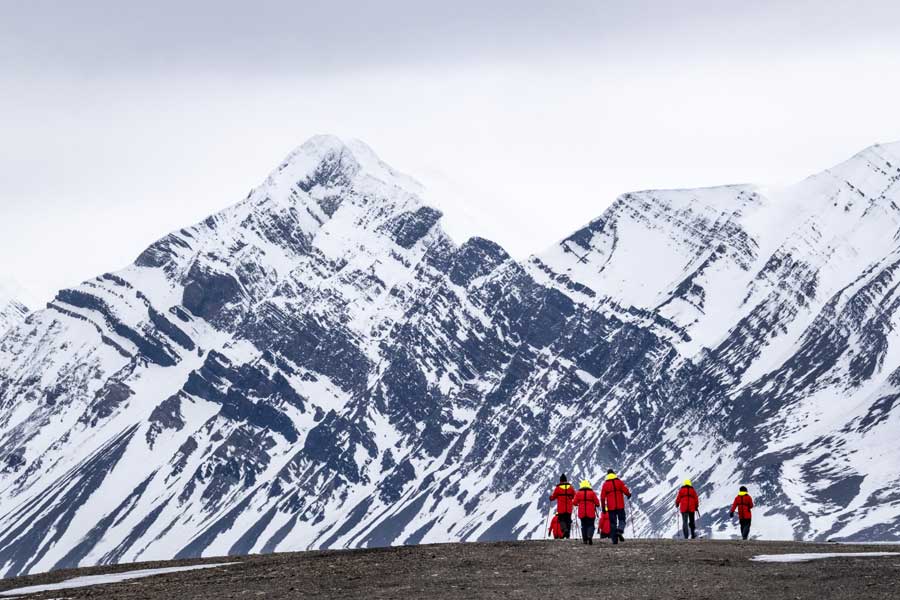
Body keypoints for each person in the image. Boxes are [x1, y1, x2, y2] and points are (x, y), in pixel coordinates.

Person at [600, 470, 631, 544]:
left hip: (611, 507)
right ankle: (620, 530)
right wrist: (628, 494)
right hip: (620, 506)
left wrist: (603, 508)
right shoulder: (619, 482)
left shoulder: (605, 485)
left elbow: (602, 497)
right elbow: (625, 490)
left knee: (613, 523)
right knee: (622, 519)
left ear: (607, 475)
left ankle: (615, 540)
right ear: (614, 474)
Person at [573, 479, 601, 545]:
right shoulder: (592, 493)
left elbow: (574, 502)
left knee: (584, 526)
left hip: (582, 513)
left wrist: (578, 504)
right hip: (590, 512)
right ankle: (589, 536)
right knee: (591, 525)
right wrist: (596, 504)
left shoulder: (578, 493)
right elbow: (597, 503)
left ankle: (585, 540)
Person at [550, 474, 575, 538]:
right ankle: (568, 535)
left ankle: (564, 530)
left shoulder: (558, 488)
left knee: (561, 520)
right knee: (568, 521)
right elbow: (575, 495)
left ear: (560, 481)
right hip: (569, 508)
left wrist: (551, 498)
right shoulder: (571, 488)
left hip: (561, 508)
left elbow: (553, 497)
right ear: (566, 480)